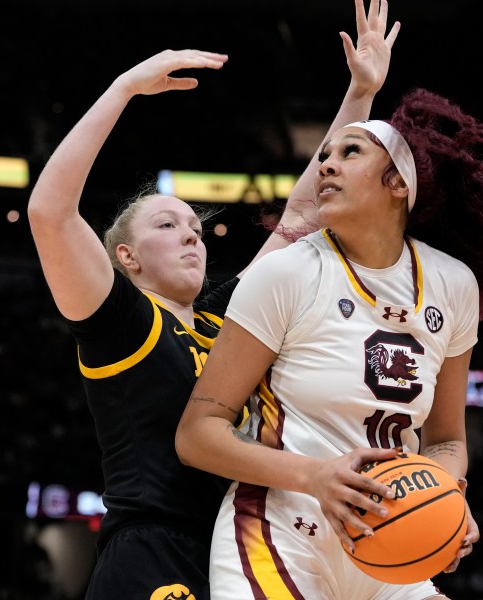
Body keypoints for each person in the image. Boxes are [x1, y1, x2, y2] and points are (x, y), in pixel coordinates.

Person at [175, 21, 483, 600]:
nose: (326, 164)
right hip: (281, 531)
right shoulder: (284, 273)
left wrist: (446, 495)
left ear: (398, 183)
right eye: (324, 155)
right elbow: (197, 434)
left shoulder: (451, 284)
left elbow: (447, 441)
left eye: (348, 152)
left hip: (390, 541)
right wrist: (314, 476)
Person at [25, 0, 399, 595]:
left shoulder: (221, 323)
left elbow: (303, 215)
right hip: (153, 548)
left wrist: (360, 96)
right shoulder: (120, 318)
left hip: (235, 548)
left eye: (196, 228)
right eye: (168, 226)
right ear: (126, 257)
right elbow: (47, 212)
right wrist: (123, 89)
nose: (192, 235)